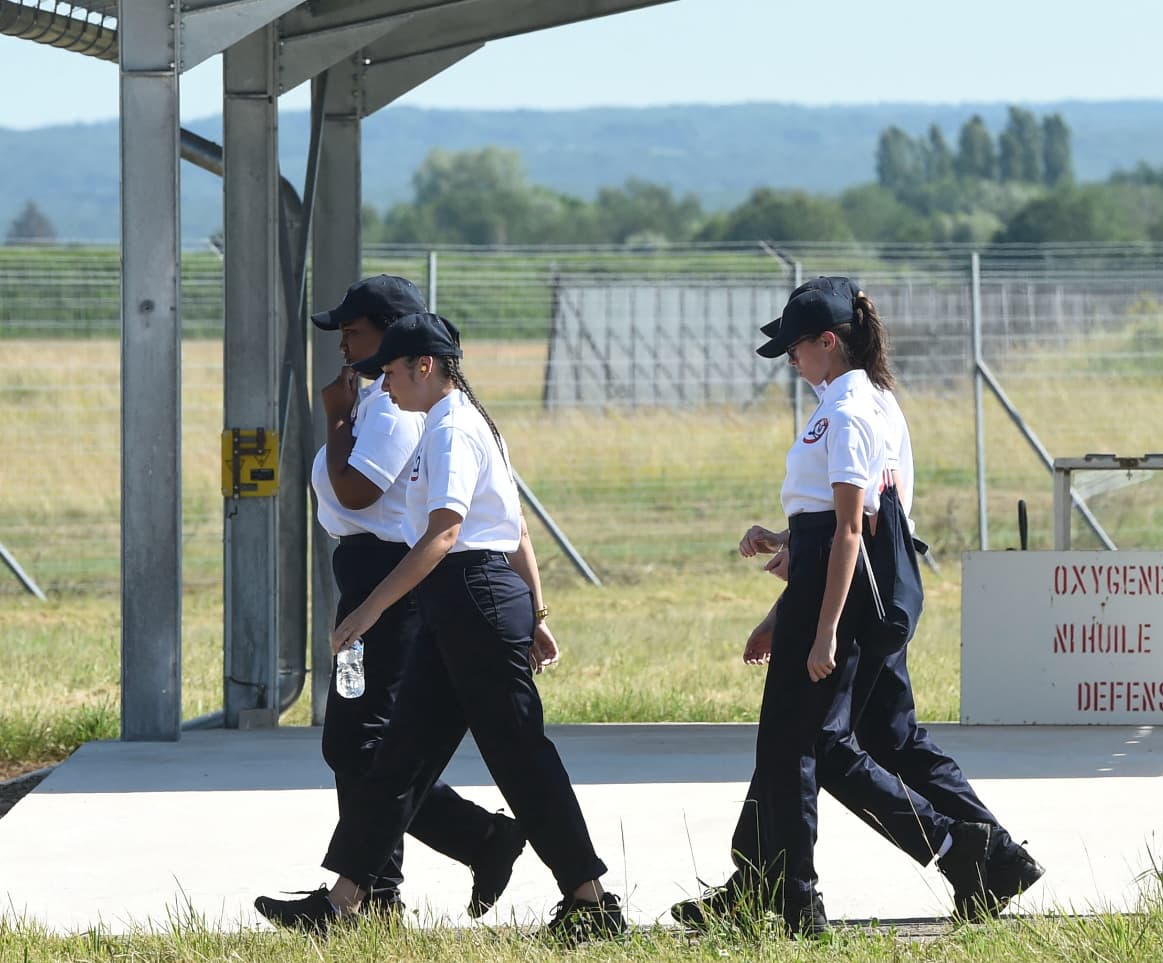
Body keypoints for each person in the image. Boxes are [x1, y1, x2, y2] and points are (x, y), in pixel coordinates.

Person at [670, 279, 1043, 932]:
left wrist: (820, 626)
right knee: (872, 737)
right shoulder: (861, 400)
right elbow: (838, 517)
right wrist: (788, 544)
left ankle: (953, 853)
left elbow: (853, 524)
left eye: (795, 345)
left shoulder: (848, 408)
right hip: (868, 586)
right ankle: (986, 855)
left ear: (828, 341)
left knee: (815, 743)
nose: (789, 358)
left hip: (854, 591)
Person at [254, 313, 623, 943]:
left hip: (471, 597)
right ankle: (343, 902)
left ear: (425, 366)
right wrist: (532, 612)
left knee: (520, 755)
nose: (386, 385)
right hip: (461, 602)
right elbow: (518, 528)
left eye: (392, 371)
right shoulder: (450, 425)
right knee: (399, 759)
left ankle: (590, 901)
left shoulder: (452, 429)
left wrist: (367, 612)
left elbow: (447, 534)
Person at [295, 275, 524, 919]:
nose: (343, 343)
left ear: (393, 334)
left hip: (392, 576)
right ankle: (378, 887)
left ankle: (435, 860)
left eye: (355, 331)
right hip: (368, 570)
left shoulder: (394, 407)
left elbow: (356, 494)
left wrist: (336, 421)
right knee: (363, 744)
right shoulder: (377, 396)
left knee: (363, 744)